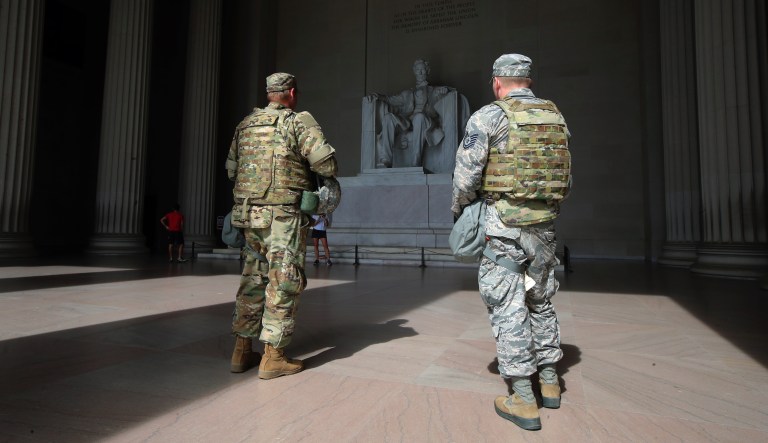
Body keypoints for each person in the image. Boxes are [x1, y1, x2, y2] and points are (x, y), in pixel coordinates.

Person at [451, 53, 571, 431]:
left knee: (508, 304)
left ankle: (522, 397)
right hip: (544, 230)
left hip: (504, 230)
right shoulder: (555, 116)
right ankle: (549, 382)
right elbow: (565, 175)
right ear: (528, 82)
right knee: (539, 298)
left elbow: (465, 177)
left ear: (497, 83)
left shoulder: (489, 116)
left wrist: (461, 211)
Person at [225, 72, 340, 379]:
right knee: (284, 280)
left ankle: (241, 351)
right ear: (291, 93)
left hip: (250, 215)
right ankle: (273, 356)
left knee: (253, 279)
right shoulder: (297, 121)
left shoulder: (245, 124)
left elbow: (232, 169)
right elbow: (326, 164)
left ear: (269, 93)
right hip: (283, 217)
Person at [368, 59, 450, 168]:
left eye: (423, 69)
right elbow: (390, 99)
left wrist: (445, 91)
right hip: (407, 121)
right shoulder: (407, 93)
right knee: (388, 117)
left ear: (427, 71)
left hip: (424, 120)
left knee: (419, 117)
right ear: (414, 72)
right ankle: (386, 159)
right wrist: (377, 96)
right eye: (418, 70)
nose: (420, 72)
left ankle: (416, 161)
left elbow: (449, 92)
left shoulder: (434, 90)